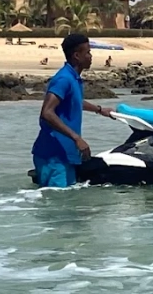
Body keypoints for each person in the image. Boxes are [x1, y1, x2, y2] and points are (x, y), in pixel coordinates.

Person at [31, 33, 116, 188]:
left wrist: (100, 109)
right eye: (88, 52)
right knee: (57, 205)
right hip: (54, 155)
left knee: (65, 206)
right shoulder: (64, 79)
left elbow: (74, 102)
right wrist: (76, 138)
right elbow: (47, 112)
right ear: (77, 56)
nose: (91, 56)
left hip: (66, 154)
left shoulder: (73, 77)